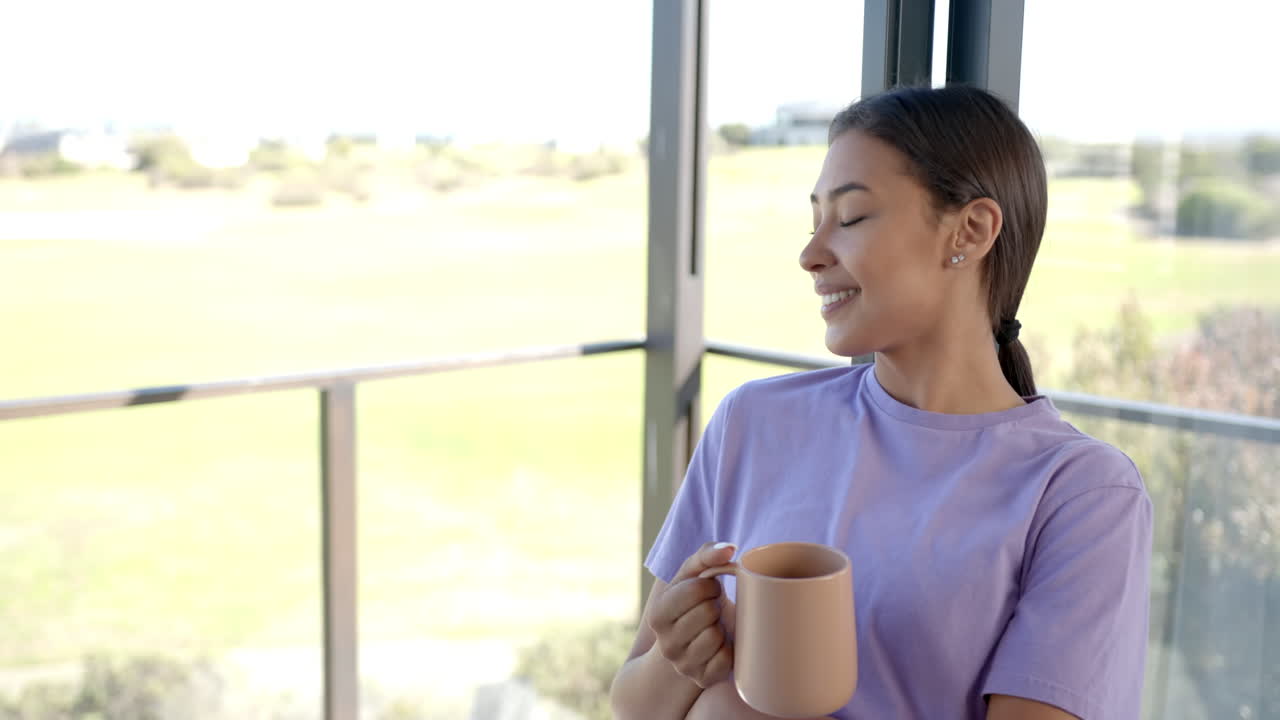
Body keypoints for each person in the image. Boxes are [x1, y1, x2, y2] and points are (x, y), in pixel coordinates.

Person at [609, 84, 1153, 720]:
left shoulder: (1081, 495)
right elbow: (634, 704)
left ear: (971, 230)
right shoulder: (752, 424)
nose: (811, 256)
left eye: (852, 217)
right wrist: (682, 661)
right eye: (814, 223)